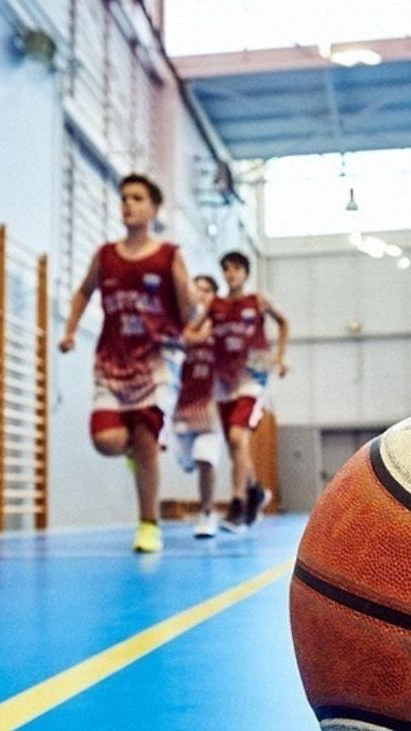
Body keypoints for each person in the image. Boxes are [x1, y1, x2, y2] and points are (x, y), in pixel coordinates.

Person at [59, 174, 194, 553]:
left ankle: (148, 524)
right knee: (106, 441)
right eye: (124, 198)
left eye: (137, 198)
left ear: (154, 208)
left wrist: (188, 311)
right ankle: (136, 451)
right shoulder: (105, 256)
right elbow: (83, 292)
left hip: (156, 361)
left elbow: (188, 310)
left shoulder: (169, 256)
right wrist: (70, 330)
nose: (128, 204)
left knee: (147, 438)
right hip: (113, 361)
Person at [209, 251, 289, 533]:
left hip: (254, 373)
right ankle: (255, 490)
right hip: (224, 379)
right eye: (226, 269)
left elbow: (283, 322)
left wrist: (279, 357)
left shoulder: (258, 300)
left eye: (235, 269)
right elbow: (193, 331)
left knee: (237, 436)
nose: (230, 274)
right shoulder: (214, 305)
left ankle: (238, 504)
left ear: (245, 273)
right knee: (235, 446)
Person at [173, 276, 224, 539]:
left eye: (207, 290)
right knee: (187, 462)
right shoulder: (181, 323)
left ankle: (207, 513)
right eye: (197, 289)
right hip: (182, 406)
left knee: (205, 459)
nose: (201, 294)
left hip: (211, 405)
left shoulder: (222, 325)